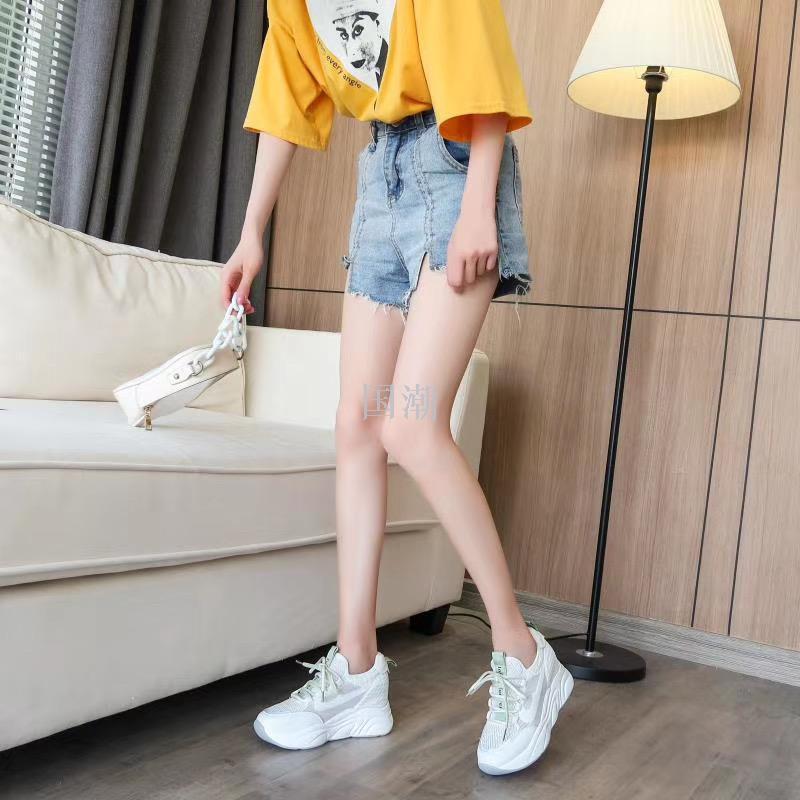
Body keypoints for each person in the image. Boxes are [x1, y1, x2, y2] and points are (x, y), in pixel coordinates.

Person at [221, 0, 573, 776]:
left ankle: (523, 654)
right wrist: (251, 231)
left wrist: (478, 205)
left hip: (455, 160)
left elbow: (478, 62)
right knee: (357, 424)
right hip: (378, 176)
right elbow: (285, 101)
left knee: (410, 423)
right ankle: (355, 673)